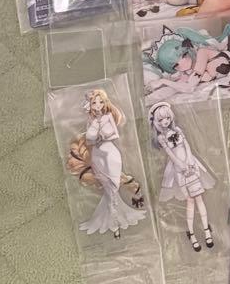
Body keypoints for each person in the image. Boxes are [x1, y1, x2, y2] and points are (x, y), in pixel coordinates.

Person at [71, 89, 147, 239]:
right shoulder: (91, 121)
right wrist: (95, 134)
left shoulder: (108, 116)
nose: (98, 105)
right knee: (108, 189)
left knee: (114, 184)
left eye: (100, 102)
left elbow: (115, 134)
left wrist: (103, 135)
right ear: (90, 105)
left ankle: (116, 219)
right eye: (94, 103)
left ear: (105, 102)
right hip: (98, 154)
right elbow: (89, 141)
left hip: (110, 151)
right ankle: (114, 223)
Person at [148, 101, 215, 252]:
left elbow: (187, 146)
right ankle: (191, 234)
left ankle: (207, 230)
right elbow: (170, 154)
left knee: (199, 198)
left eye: (167, 118)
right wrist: (182, 166)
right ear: (156, 122)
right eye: (161, 119)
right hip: (179, 169)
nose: (165, 121)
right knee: (190, 200)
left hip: (191, 164)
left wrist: (190, 161)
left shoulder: (177, 129)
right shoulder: (161, 137)